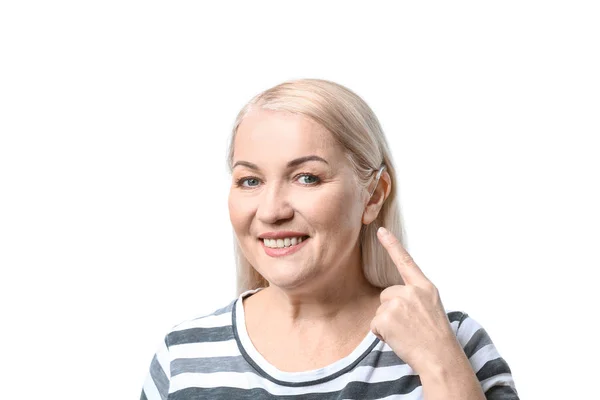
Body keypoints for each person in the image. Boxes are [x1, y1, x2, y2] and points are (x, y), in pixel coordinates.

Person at [140, 79, 519, 399]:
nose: (272, 211)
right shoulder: (183, 356)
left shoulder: (451, 341)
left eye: (307, 177)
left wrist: (441, 366)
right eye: (250, 181)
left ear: (373, 195)